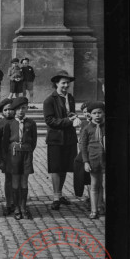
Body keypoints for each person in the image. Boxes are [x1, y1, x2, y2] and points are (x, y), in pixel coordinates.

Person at [43, 70, 80, 210]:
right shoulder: (49, 100)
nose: (66, 86)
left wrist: (74, 117)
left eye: (67, 83)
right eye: (63, 83)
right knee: (56, 167)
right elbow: (49, 120)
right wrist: (68, 121)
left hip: (69, 138)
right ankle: (56, 196)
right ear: (56, 83)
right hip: (56, 138)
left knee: (64, 166)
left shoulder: (70, 97)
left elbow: (69, 113)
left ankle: (60, 193)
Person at [2, 97, 38, 220]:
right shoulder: (10, 124)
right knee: (15, 181)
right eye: (18, 109)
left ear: (27, 108)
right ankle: (16, 207)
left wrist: (27, 150)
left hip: (26, 154)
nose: (21, 111)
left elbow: (34, 142)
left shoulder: (31, 123)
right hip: (14, 154)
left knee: (24, 181)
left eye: (23, 108)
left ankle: (23, 207)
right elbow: (5, 141)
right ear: (14, 110)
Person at [81, 101, 105, 219]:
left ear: (104, 113)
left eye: (99, 113)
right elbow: (83, 147)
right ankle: (94, 210)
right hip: (93, 161)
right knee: (94, 185)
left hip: (105, 161)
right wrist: (86, 162)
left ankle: (102, 206)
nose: (97, 115)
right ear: (90, 115)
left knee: (103, 184)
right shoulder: (87, 129)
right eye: (94, 113)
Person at [0, 98, 15, 216]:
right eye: (6, 110)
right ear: (2, 111)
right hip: (6, 155)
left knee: (17, 179)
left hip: (18, 155)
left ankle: (17, 202)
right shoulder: (0, 123)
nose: (8, 112)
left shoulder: (17, 121)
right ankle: (8, 202)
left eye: (11, 109)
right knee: (8, 180)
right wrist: (0, 159)